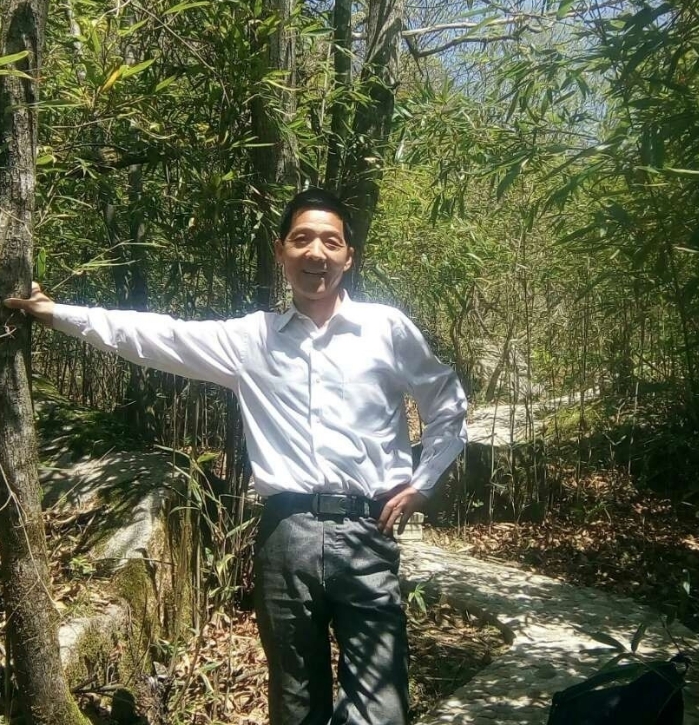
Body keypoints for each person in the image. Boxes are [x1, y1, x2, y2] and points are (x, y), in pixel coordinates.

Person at [4, 188, 468, 725]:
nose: (316, 252)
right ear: (281, 251)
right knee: (295, 701)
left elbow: (447, 402)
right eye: (302, 239)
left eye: (330, 241)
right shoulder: (254, 339)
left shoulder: (385, 329)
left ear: (348, 256)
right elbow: (156, 335)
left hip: (368, 533)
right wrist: (56, 313)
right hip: (286, 535)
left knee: (381, 706)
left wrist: (423, 483)